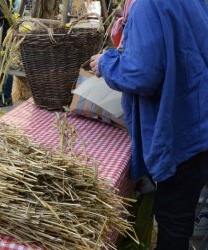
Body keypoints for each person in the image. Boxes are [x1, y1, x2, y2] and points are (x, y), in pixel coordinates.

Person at [89, 0, 208, 249]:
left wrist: (105, 62)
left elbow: (140, 74)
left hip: (179, 129)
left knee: (172, 218)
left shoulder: (146, 5)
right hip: (198, 120)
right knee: (183, 211)